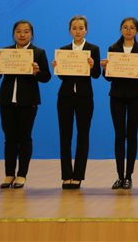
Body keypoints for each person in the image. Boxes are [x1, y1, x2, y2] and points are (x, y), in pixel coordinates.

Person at [0, 20, 51, 189]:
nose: (22, 35)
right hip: (6, 101)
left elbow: (46, 77)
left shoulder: (38, 53)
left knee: (25, 137)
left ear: (32, 34)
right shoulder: (6, 52)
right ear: (13, 34)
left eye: (26, 31)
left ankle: (22, 175)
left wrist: (37, 72)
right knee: (9, 138)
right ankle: (9, 174)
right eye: (18, 31)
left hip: (28, 102)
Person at [101, 17, 138, 190]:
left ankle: (129, 176)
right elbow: (108, 78)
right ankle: (119, 176)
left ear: (137, 31)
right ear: (121, 29)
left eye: (132, 28)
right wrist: (105, 68)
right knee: (119, 135)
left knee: (132, 135)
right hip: (117, 96)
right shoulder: (113, 48)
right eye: (125, 27)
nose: (128, 30)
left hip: (136, 95)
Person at [52, 15, 101, 189]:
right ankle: (66, 175)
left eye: (81, 28)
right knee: (65, 136)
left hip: (84, 97)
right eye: (74, 28)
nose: (78, 31)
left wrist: (93, 66)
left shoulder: (93, 49)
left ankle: (78, 175)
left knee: (83, 135)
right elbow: (62, 76)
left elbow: (96, 74)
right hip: (65, 97)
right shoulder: (63, 50)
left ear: (86, 30)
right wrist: (57, 67)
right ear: (69, 30)